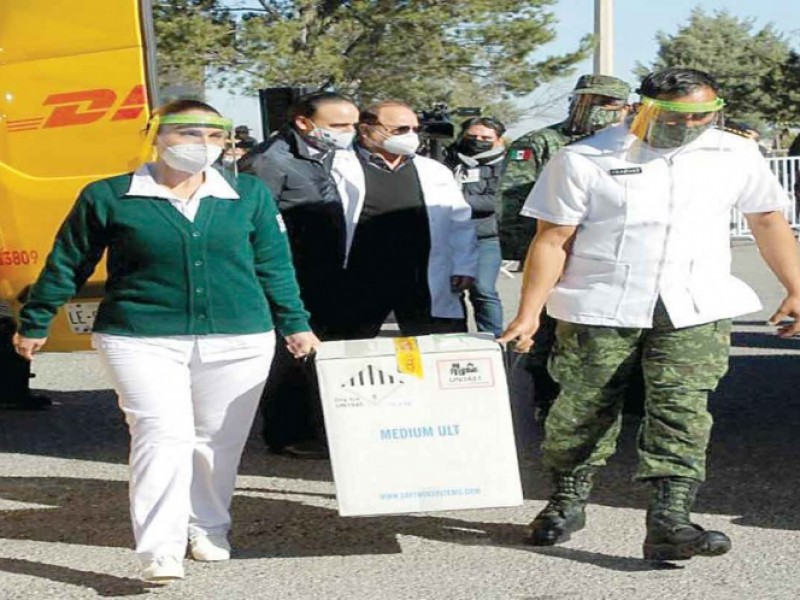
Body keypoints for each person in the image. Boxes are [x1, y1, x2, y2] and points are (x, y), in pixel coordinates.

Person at [500, 67, 800, 561]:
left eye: (703, 115)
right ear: (643, 107)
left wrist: (794, 287)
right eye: (676, 116)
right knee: (581, 409)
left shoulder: (734, 153)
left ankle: (670, 519)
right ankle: (566, 500)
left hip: (696, 305)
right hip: (600, 306)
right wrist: (529, 313)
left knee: (682, 412)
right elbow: (553, 240)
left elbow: (767, 220)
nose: (690, 126)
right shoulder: (585, 157)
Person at [13, 99, 319, 583]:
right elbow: (69, 261)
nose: (202, 144)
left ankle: (208, 526)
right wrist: (36, 319)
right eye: (188, 133)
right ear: (157, 136)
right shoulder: (109, 195)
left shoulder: (247, 194)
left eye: (213, 135)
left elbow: (273, 264)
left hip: (239, 338)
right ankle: (161, 547)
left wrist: (295, 323)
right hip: (139, 336)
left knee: (217, 440)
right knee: (161, 434)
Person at [500, 74, 632, 424]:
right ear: (575, 102)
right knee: (546, 329)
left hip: (604, 257)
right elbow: (513, 200)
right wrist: (525, 253)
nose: (600, 110)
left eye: (610, 104)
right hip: (553, 251)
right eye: (592, 102)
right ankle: (546, 398)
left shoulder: (626, 145)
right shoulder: (542, 142)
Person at [251, 91, 360, 459]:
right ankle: (287, 434)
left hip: (329, 271)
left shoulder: (329, 154)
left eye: (353, 124)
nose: (349, 132)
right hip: (293, 274)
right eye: (339, 125)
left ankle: (320, 428)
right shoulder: (269, 161)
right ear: (303, 122)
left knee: (322, 352)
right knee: (290, 357)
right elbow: (257, 225)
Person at [338, 100, 478, 338]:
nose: (411, 136)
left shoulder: (434, 171)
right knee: (347, 346)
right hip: (360, 277)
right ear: (365, 130)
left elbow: (460, 222)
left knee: (439, 347)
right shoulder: (337, 167)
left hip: (423, 278)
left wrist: (464, 266)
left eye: (415, 129)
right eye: (401, 130)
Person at [444, 116, 508, 337]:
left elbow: (495, 201)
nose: (477, 141)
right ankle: (454, 336)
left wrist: (452, 199)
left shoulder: (506, 165)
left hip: (485, 237)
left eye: (485, 138)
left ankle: (493, 339)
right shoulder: (448, 160)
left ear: (498, 140)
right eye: (472, 136)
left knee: (483, 289)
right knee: (451, 290)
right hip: (448, 235)